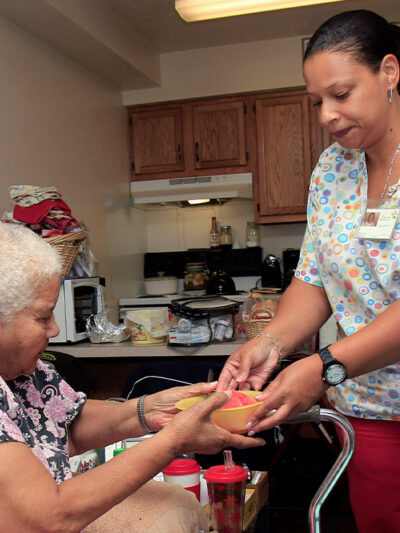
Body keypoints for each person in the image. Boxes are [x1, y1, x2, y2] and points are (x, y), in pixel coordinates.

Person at [217, 10, 400, 533]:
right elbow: (315, 276)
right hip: (365, 412)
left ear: (389, 71)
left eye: (341, 94)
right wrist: (271, 344)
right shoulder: (333, 168)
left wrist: (323, 367)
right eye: (318, 101)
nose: (327, 114)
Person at [0, 222, 265, 533]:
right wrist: (174, 440)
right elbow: (48, 518)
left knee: (174, 502)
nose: (55, 330)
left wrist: (152, 411)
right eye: (43, 316)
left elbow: (67, 427)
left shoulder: (27, 370)